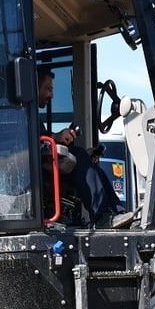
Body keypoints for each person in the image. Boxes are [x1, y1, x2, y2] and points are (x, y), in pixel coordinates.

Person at [38, 69, 123, 226]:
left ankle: (117, 211)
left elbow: (42, 142)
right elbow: (31, 145)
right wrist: (56, 138)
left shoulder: (33, 118)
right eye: (48, 89)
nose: (52, 95)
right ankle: (101, 217)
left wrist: (60, 140)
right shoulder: (22, 116)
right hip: (36, 177)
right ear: (35, 87)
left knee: (88, 162)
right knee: (79, 156)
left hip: (44, 169)